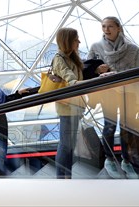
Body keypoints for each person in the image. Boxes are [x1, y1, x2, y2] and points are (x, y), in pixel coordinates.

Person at [87, 16, 139, 179]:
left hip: (129, 94)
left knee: (127, 128)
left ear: (118, 28)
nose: (106, 30)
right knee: (109, 127)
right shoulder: (96, 47)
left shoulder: (133, 49)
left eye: (110, 26)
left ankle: (127, 161)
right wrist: (98, 70)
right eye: (103, 26)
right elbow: (87, 71)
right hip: (108, 93)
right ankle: (110, 159)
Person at [52, 27, 85, 179]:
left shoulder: (73, 57)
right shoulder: (59, 58)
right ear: (67, 41)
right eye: (75, 39)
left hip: (76, 106)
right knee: (65, 145)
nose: (79, 41)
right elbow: (69, 77)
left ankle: (67, 177)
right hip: (66, 108)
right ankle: (61, 178)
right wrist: (76, 83)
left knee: (70, 145)